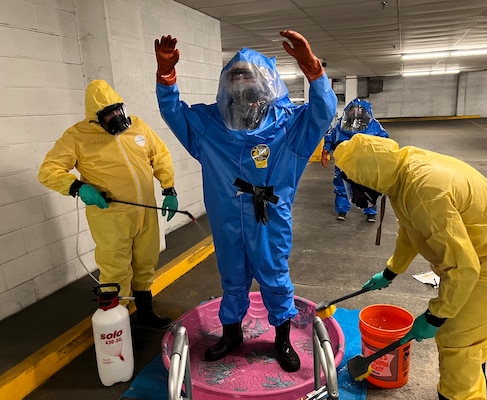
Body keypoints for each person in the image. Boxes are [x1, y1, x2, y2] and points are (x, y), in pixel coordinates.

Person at [154, 30, 337, 372]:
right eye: (234, 76)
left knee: (274, 276)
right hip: (226, 222)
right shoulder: (210, 126)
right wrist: (166, 78)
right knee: (232, 277)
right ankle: (232, 333)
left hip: (270, 220)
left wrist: (314, 71)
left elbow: (323, 111)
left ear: (265, 83)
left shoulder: (288, 127)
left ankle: (281, 338)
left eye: (247, 76)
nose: (240, 83)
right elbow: (174, 112)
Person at [334, 134, 487, 400]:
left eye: (355, 184)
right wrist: (392, 271)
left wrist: (435, 316)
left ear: (370, 174)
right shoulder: (402, 171)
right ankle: (477, 384)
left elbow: (463, 267)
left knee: (456, 339)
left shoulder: (423, 190)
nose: (356, 192)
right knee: (473, 332)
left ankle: (460, 396)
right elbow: (411, 229)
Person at [38, 79, 178, 329]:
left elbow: (160, 155)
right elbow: (48, 170)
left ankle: (145, 314)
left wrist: (169, 188)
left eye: (117, 109)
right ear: (95, 117)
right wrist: (78, 187)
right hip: (111, 217)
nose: (115, 116)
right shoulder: (77, 137)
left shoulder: (138, 127)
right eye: (108, 113)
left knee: (146, 263)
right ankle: (120, 325)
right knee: (115, 269)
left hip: (145, 213)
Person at [321, 98, 389, 222]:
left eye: (359, 109)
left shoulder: (373, 125)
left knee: (368, 185)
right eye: (353, 109)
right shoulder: (341, 125)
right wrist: (326, 150)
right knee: (342, 185)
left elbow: (384, 139)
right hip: (345, 160)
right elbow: (330, 137)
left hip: (366, 161)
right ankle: (342, 210)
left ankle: (370, 212)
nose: (356, 112)